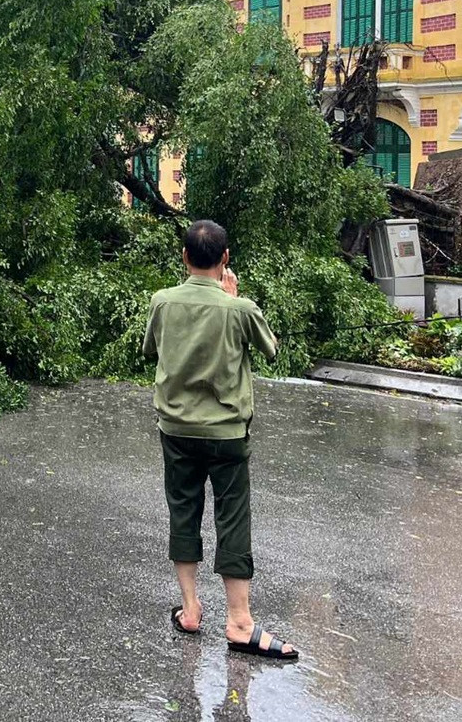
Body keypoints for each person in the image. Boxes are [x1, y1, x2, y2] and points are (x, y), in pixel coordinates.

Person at [143, 219, 298, 661]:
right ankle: (239, 621)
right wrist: (232, 302)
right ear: (225, 259)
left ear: (185, 257)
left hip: (175, 430)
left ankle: (190, 609)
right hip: (227, 432)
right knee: (232, 518)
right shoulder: (240, 307)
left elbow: (149, 349)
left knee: (183, 510)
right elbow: (271, 349)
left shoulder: (162, 301)